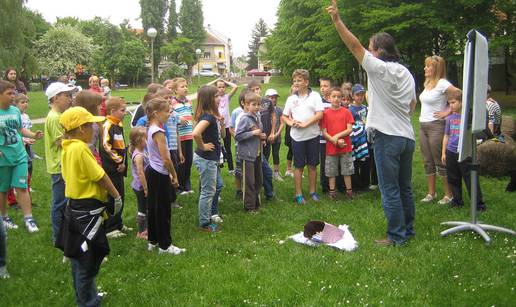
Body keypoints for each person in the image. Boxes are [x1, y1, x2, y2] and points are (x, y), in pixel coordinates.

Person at [328, 0, 417, 246]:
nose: (367, 50)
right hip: (407, 137)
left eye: (370, 47)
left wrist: (337, 21)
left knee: (390, 189)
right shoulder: (406, 73)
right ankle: (408, 231)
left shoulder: (379, 69)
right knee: (405, 188)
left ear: (377, 50)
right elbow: (413, 104)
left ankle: (397, 237)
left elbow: (353, 44)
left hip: (387, 137)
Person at [55, 106, 121, 307]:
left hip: (75, 207)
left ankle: (88, 296)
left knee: (80, 257)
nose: (95, 128)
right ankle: (86, 302)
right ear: (81, 129)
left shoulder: (67, 146)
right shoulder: (80, 148)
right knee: (87, 261)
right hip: (87, 211)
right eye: (91, 124)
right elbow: (99, 175)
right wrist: (116, 196)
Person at [0, 81, 42, 233]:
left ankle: (29, 219)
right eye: (9, 93)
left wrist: (33, 135)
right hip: (3, 158)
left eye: (13, 93)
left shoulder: (15, 111)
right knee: (3, 189)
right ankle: (3, 218)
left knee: (22, 186)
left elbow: (20, 129)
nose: (13, 96)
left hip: (19, 155)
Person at [144, 98, 184, 254]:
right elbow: (166, 158)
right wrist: (174, 175)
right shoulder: (159, 132)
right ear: (156, 113)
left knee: (153, 207)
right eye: (167, 111)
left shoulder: (150, 128)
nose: (169, 114)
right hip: (159, 173)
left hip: (152, 171)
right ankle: (165, 245)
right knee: (163, 210)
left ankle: (152, 241)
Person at [282, 69, 324, 205]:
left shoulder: (315, 96)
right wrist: (291, 122)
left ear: (306, 82)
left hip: (312, 135)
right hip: (297, 137)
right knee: (299, 166)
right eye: (294, 81)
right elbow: (284, 116)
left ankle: (312, 192)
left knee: (312, 165)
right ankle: (298, 194)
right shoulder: (291, 98)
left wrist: (305, 124)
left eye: (299, 80)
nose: (296, 83)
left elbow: (319, 114)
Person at [418, 55, 456, 205]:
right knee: (427, 161)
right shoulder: (428, 83)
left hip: (436, 126)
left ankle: (449, 194)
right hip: (423, 125)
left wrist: (447, 111)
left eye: (428, 66)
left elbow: (459, 94)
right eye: (425, 65)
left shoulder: (442, 83)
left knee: (439, 160)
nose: (425, 68)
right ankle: (431, 193)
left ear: (436, 69)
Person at [442, 90, 487, 211]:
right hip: (451, 152)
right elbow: (446, 136)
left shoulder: (468, 118)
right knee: (453, 178)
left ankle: (478, 204)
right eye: (449, 103)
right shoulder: (449, 119)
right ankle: (457, 201)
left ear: (462, 102)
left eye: (453, 102)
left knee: (470, 177)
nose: (451, 105)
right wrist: (443, 152)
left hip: (465, 152)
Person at [44, 82, 75, 241]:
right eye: (67, 96)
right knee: (60, 204)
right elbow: (60, 142)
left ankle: (64, 235)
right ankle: (59, 238)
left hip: (61, 165)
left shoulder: (58, 116)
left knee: (63, 202)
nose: (70, 99)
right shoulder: (55, 117)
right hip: (59, 166)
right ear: (55, 98)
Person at [192, 86, 222, 232]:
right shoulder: (208, 117)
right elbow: (196, 133)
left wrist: (220, 123)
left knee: (218, 185)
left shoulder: (210, 115)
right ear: (209, 99)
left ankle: (210, 212)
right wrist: (203, 146)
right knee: (208, 191)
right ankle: (204, 223)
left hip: (211, 159)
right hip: (206, 159)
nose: (219, 98)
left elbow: (220, 135)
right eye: (216, 96)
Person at [100, 97, 129, 238]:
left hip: (120, 168)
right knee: (113, 197)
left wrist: (124, 162)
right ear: (112, 111)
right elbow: (106, 146)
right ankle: (110, 227)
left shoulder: (118, 124)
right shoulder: (108, 125)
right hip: (112, 169)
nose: (125, 113)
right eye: (122, 110)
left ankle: (118, 223)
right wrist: (118, 161)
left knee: (120, 196)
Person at [321, 87, 354, 200]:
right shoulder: (325, 114)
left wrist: (337, 136)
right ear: (329, 98)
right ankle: (332, 192)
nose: (336, 99)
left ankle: (349, 192)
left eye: (338, 97)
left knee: (347, 170)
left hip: (345, 147)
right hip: (331, 148)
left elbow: (349, 129)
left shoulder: (346, 112)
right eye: (333, 96)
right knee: (331, 171)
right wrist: (335, 140)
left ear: (341, 98)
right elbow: (324, 132)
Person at [6, 94, 38, 208]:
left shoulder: (19, 114)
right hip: (11, 149)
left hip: (23, 148)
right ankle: (12, 201)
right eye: (22, 102)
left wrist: (33, 136)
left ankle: (26, 200)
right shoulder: (8, 114)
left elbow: (22, 130)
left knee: (27, 173)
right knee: (8, 177)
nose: (25, 104)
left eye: (26, 102)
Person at [235, 92, 265, 212]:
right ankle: (249, 207)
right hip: (247, 155)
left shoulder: (257, 117)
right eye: (254, 104)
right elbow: (238, 136)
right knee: (249, 181)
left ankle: (256, 204)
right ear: (247, 105)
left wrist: (262, 136)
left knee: (258, 180)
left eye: (259, 104)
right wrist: (253, 133)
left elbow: (258, 132)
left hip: (257, 154)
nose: (257, 107)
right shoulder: (245, 119)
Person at [248, 81, 274, 200]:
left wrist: (267, 134)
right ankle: (253, 197)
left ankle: (267, 193)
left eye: (258, 89)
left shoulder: (265, 104)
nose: (257, 91)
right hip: (250, 149)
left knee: (265, 169)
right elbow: (238, 133)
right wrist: (257, 134)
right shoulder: (246, 113)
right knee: (261, 171)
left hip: (262, 143)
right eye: (254, 89)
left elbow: (273, 116)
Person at [209, 78, 238, 173]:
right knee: (216, 146)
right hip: (216, 125)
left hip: (226, 125)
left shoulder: (227, 97)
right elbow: (205, 87)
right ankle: (217, 166)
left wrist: (225, 81)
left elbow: (235, 87)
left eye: (223, 87)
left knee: (228, 147)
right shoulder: (213, 98)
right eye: (219, 87)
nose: (221, 89)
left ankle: (231, 169)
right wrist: (215, 81)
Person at [171, 78, 194, 194]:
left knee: (189, 161)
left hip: (189, 135)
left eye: (186, 86)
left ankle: (187, 184)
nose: (185, 88)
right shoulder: (172, 103)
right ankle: (179, 187)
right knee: (181, 161)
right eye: (182, 87)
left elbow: (191, 116)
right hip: (179, 137)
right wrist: (179, 119)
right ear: (175, 90)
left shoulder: (189, 102)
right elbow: (170, 117)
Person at [349, 84, 371, 192]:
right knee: (356, 162)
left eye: (362, 94)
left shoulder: (366, 108)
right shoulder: (350, 109)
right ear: (352, 96)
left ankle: (365, 184)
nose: (360, 97)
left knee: (366, 161)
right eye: (357, 95)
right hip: (356, 141)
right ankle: (356, 185)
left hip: (366, 139)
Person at [230, 89, 251, 199]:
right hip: (240, 145)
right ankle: (239, 190)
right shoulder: (236, 113)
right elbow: (232, 128)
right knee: (239, 169)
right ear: (243, 102)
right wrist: (238, 139)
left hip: (251, 147)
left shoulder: (254, 113)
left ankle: (248, 189)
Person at [129, 126, 149, 240]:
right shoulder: (139, 156)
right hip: (141, 186)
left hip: (143, 185)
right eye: (146, 138)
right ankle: (141, 232)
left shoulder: (143, 151)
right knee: (142, 209)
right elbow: (140, 173)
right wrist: (146, 188)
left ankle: (146, 229)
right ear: (139, 140)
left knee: (146, 207)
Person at [73, 91, 103, 164]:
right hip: (88, 160)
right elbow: (89, 146)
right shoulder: (92, 126)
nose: (101, 107)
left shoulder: (73, 121)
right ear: (91, 107)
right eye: (98, 105)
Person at [264, 89, 285, 181]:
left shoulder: (279, 109)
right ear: (266, 98)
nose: (273, 99)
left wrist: (276, 134)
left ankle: (276, 173)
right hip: (266, 137)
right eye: (271, 97)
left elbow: (282, 123)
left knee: (276, 154)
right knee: (266, 155)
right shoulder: (263, 110)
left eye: (275, 97)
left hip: (277, 136)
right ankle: (266, 172)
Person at [318, 78, 332, 193]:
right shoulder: (318, 102)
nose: (323, 88)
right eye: (321, 85)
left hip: (334, 137)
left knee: (334, 161)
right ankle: (325, 185)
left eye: (326, 85)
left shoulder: (335, 102)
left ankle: (334, 183)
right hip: (322, 138)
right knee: (324, 162)